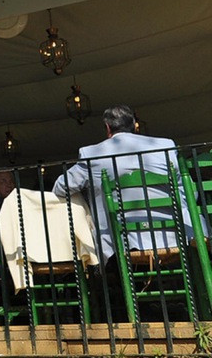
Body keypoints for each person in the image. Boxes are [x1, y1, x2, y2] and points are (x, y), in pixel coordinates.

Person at [52, 104, 194, 263]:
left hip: (122, 244)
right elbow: (189, 193)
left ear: (107, 127)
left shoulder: (92, 154)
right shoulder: (166, 145)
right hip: (176, 237)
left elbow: (60, 187)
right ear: (134, 125)